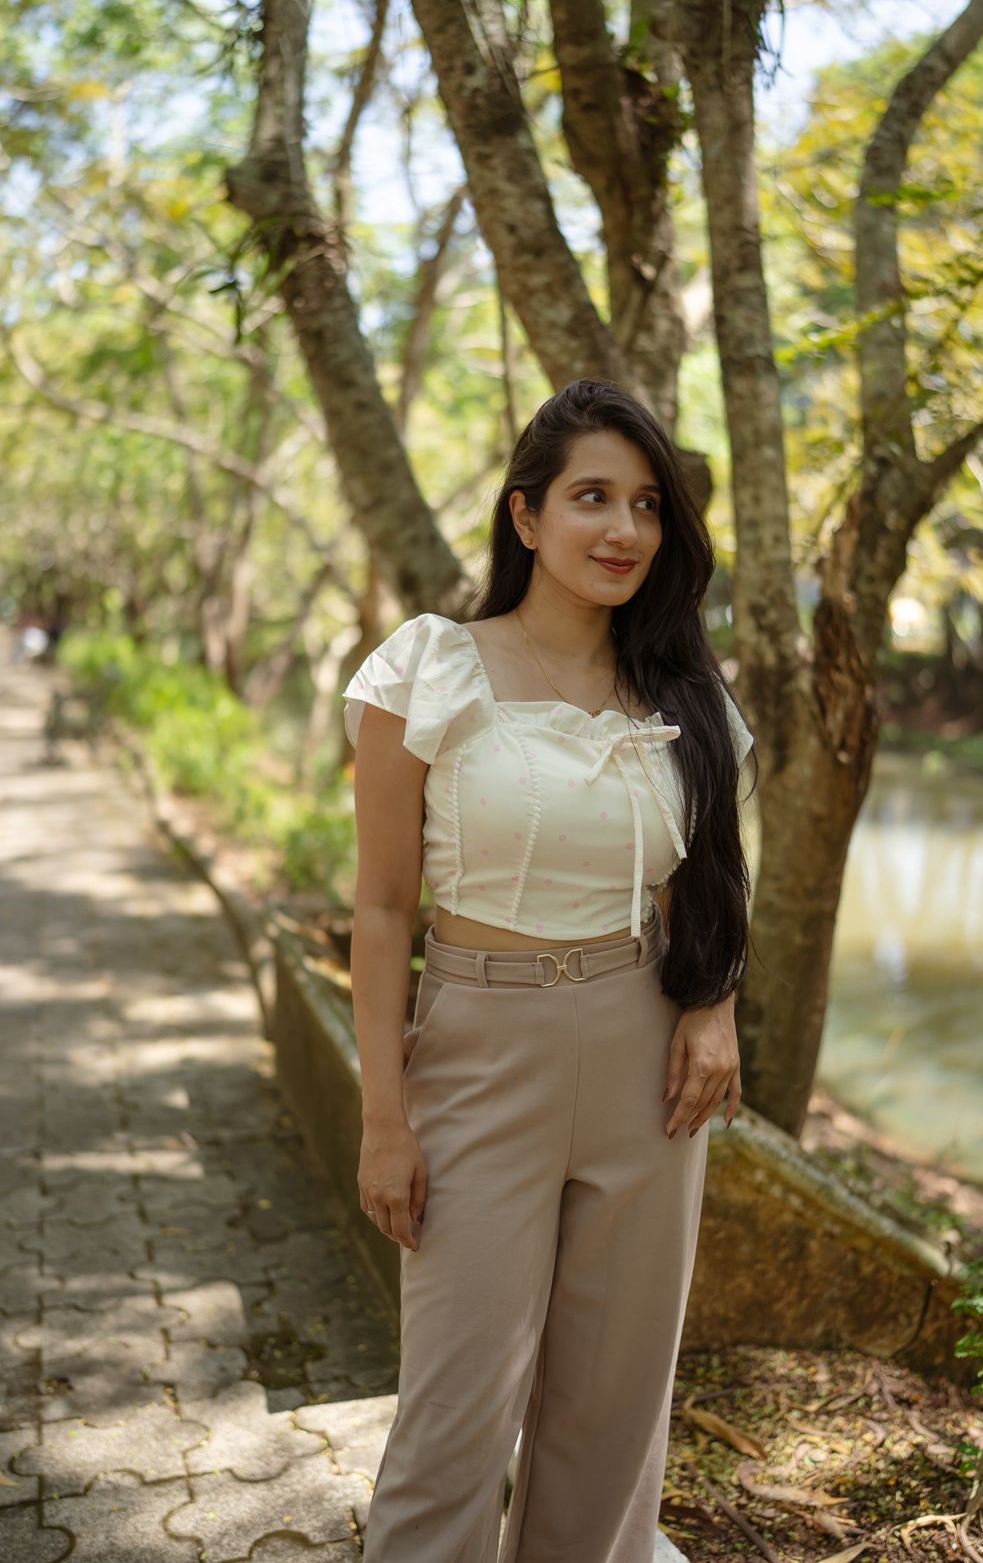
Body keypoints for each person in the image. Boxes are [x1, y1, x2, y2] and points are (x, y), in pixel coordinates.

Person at [343, 378, 757, 1562]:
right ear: (525, 516)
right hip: (479, 1047)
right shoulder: (431, 668)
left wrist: (713, 1006)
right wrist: (386, 1116)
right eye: (591, 497)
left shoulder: (685, 698)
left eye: (645, 506)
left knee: (609, 1423)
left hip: (645, 1065)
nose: (622, 529)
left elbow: (707, 874)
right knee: (452, 1425)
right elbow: (379, 909)